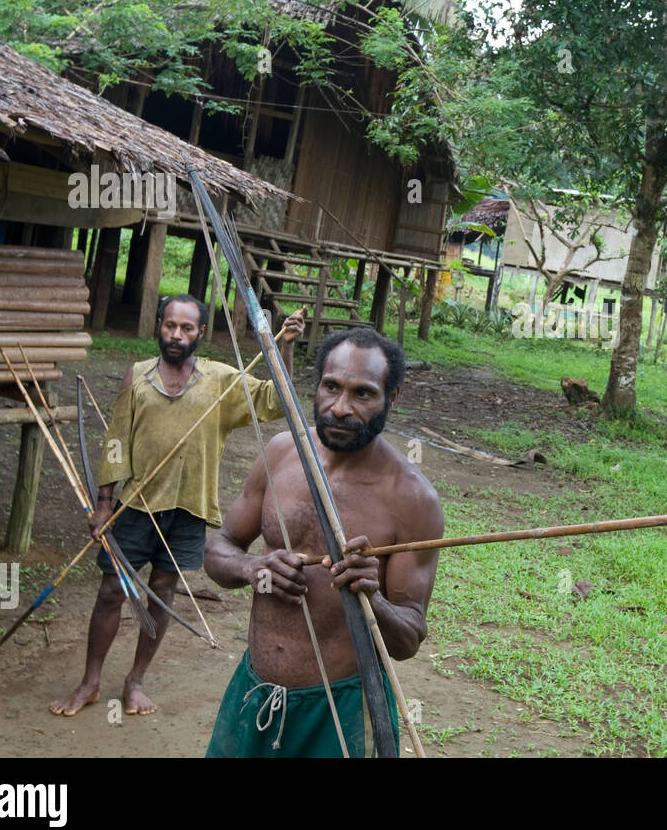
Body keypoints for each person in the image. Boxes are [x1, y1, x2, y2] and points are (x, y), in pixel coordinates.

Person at [49, 294, 305, 717]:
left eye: (186, 328)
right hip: (134, 505)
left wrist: (287, 347)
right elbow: (116, 442)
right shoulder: (137, 377)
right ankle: (90, 683)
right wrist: (103, 503)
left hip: (188, 508)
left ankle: (135, 682)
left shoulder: (221, 381)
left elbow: (277, 401)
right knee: (112, 589)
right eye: (170, 325)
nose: (176, 335)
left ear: (200, 333)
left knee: (163, 593)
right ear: (160, 327)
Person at [203, 327, 443, 757]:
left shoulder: (411, 498)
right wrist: (251, 569)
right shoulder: (280, 453)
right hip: (254, 693)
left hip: (343, 711)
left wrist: (372, 598)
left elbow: (408, 640)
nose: (340, 408)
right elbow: (219, 549)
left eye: (363, 394)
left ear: (394, 397)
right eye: (331, 387)